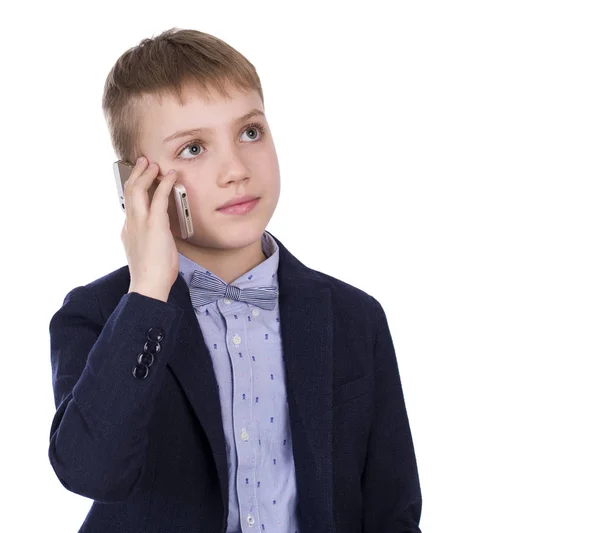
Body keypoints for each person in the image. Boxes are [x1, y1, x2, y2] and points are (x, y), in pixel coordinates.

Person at [48, 27, 422, 533]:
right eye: (193, 149)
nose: (235, 170)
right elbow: (91, 470)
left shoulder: (354, 317)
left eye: (250, 132)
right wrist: (148, 293)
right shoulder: (100, 314)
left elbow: (392, 512)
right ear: (137, 184)